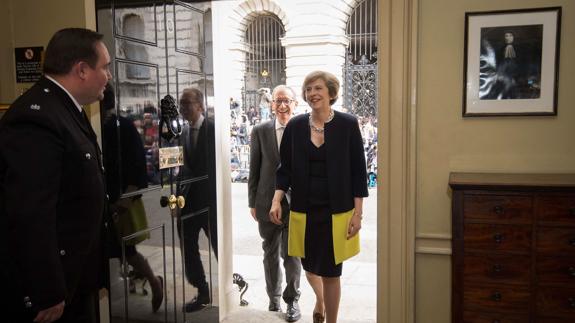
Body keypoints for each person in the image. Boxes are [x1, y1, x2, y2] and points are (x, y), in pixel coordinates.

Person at [0, 28, 111, 322]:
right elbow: (31, 211)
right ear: (83, 70)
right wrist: (46, 289)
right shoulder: (37, 117)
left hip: (76, 278)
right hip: (55, 290)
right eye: (105, 67)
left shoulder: (66, 109)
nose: (108, 76)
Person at [269, 71, 368, 323]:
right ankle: (320, 300)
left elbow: (358, 172)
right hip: (304, 209)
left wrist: (358, 213)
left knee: (332, 272)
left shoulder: (347, 124)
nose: (312, 93)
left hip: (337, 210)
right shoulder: (296, 126)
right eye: (309, 89)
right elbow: (285, 169)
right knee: (310, 267)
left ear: (331, 92)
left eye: (318, 88)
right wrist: (276, 199)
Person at [100, 83, 164, 313]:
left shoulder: (123, 126)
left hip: (121, 200)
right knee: (119, 250)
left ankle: (155, 283)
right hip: (105, 201)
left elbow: (137, 167)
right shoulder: (93, 125)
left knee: (125, 250)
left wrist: (125, 200)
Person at [248, 85, 302, 322]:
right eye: (278, 101)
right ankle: (273, 298)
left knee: (292, 254)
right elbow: (254, 169)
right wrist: (252, 202)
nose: (282, 105)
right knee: (269, 252)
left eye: (287, 101)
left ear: (295, 104)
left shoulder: (303, 129)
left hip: (295, 202)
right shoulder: (260, 130)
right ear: (271, 104)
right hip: (265, 201)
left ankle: (292, 301)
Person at [176, 87, 218, 312]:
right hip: (189, 202)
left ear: (200, 106)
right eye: (181, 103)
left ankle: (230, 286)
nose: (183, 108)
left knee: (218, 247)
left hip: (210, 203)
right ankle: (202, 290)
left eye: (187, 103)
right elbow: (182, 169)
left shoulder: (213, 129)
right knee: (188, 247)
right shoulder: (182, 132)